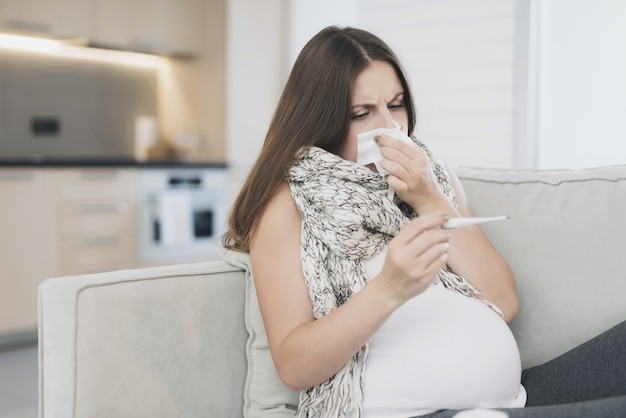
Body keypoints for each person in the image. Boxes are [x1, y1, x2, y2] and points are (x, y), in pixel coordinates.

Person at [223, 26, 626, 418]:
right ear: (321, 121)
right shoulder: (286, 204)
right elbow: (295, 366)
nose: (391, 127)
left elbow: (503, 302)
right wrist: (389, 289)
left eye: (396, 105)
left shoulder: (432, 175)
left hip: (510, 397)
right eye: (362, 113)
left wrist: (429, 198)